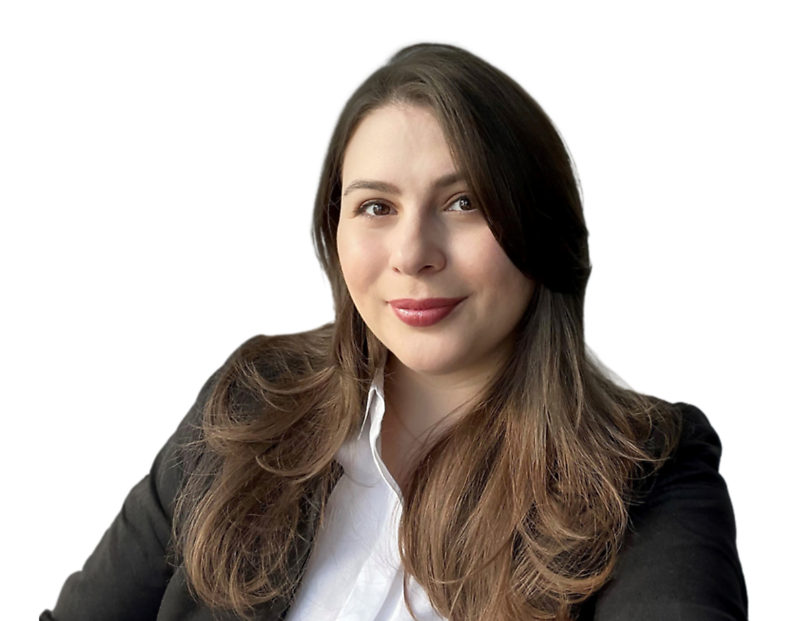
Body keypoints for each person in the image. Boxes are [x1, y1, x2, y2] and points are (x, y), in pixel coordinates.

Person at [39, 38, 749, 621]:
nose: (413, 254)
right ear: (333, 232)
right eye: (376, 207)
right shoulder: (250, 400)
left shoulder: (648, 473)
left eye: (464, 202)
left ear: (540, 226)